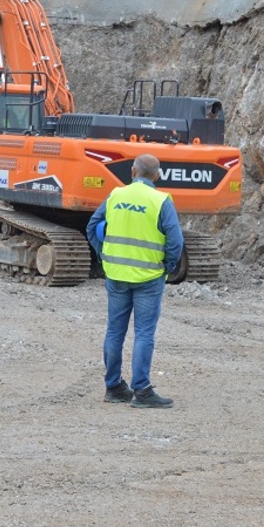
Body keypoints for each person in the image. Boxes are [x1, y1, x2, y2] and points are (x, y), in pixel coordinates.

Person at [86, 153, 183, 409]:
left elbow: (92, 226)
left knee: (115, 331)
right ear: (158, 175)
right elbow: (176, 241)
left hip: (116, 275)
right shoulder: (161, 200)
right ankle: (142, 391)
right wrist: (167, 267)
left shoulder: (116, 195)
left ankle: (114, 387)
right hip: (149, 277)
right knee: (144, 333)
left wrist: (105, 256)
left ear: (132, 171)